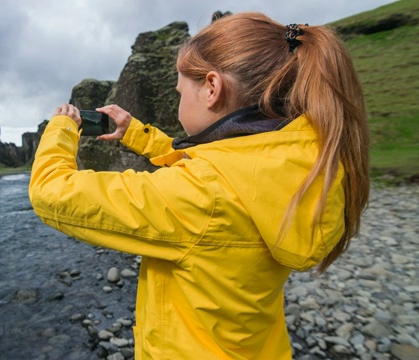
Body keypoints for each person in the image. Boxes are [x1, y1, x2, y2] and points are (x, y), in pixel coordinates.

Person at [29, 11, 369, 360]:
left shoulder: (203, 195)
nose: (178, 103)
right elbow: (224, 164)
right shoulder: (299, 161)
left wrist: (62, 126)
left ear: (211, 88)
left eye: (180, 91)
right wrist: (138, 135)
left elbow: (50, 191)